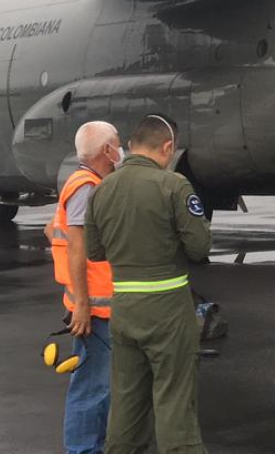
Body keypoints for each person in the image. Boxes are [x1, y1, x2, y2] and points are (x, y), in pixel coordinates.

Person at [85, 115, 211, 454]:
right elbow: (199, 247)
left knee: (126, 405)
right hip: (168, 310)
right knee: (175, 402)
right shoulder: (173, 185)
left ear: (130, 146)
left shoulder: (102, 189)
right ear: (168, 147)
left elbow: (94, 251)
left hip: (124, 309)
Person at [45, 121, 123, 454]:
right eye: (117, 143)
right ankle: (83, 449)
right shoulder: (87, 188)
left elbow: (51, 230)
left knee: (98, 384)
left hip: (93, 304)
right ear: (107, 150)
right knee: (93, 387)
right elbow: (76, 246)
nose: (120, 149)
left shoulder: (82, 182)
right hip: (95, 309)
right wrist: (82, 305)